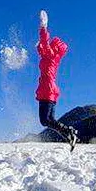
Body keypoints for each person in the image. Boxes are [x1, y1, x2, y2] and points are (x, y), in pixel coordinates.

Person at [36, 10, 78, 147]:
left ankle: (68, 131)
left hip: (47, 90)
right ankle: (69, 135)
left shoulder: (51, 55)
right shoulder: (53, 56)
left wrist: (43, 27)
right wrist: (40, 46)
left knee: (45, 121)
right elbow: (43, 49)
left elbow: (44, 44)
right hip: (49, 90)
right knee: (49, 120)